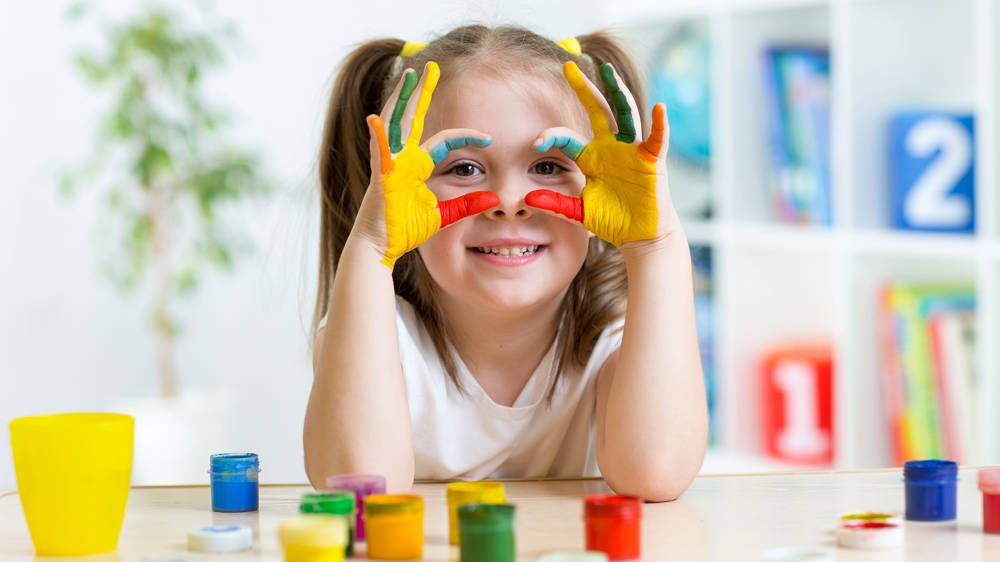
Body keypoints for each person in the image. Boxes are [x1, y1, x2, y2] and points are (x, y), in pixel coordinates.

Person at [304, 25, 707, 502]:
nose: (510, 202)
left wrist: (655, 244)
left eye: (550, 166)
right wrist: (372, 250)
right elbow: (359, 488)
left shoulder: (618, 334)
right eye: (464, 168)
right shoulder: (374, 328)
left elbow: (655, 474)